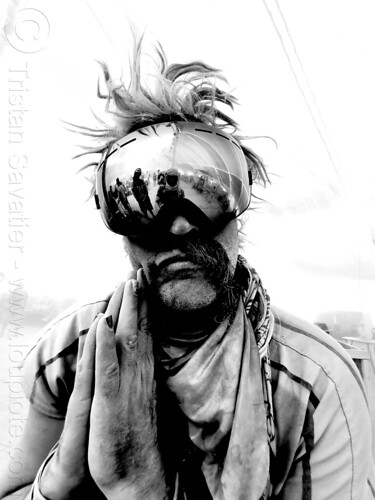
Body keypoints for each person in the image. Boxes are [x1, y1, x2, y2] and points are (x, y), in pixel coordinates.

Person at [0, 37, 374, 500]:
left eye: (209, 192)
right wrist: (56, 482)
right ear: (117, 225)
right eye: (138, 202)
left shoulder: (314, 384)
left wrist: (135, 487)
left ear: (241, 208)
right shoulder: (67, 358)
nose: (178, 227)